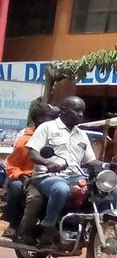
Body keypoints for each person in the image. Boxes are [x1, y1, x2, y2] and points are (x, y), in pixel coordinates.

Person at [26, 96, 96, 245]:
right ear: (63, 110)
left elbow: (90, 161)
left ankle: (95, 225)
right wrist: (47, 162)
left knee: (107, 190)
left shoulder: (82, 134)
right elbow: (32, 152)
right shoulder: (47, 127)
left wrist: (108, 165)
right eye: (77, 110)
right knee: (61, 189)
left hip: (75, 176)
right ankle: (48, 229)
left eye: (82, 111)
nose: (81, 115)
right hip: (46, 176)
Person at [2, 102, 58, 238]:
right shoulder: (25, 141)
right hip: (27, 178)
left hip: (49, 177)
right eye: (50, 117)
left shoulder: (54, 137)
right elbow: (11, 164)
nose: (54, 121)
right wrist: (22, 177)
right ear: (39, 119)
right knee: (16, 187)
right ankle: (14, 224)